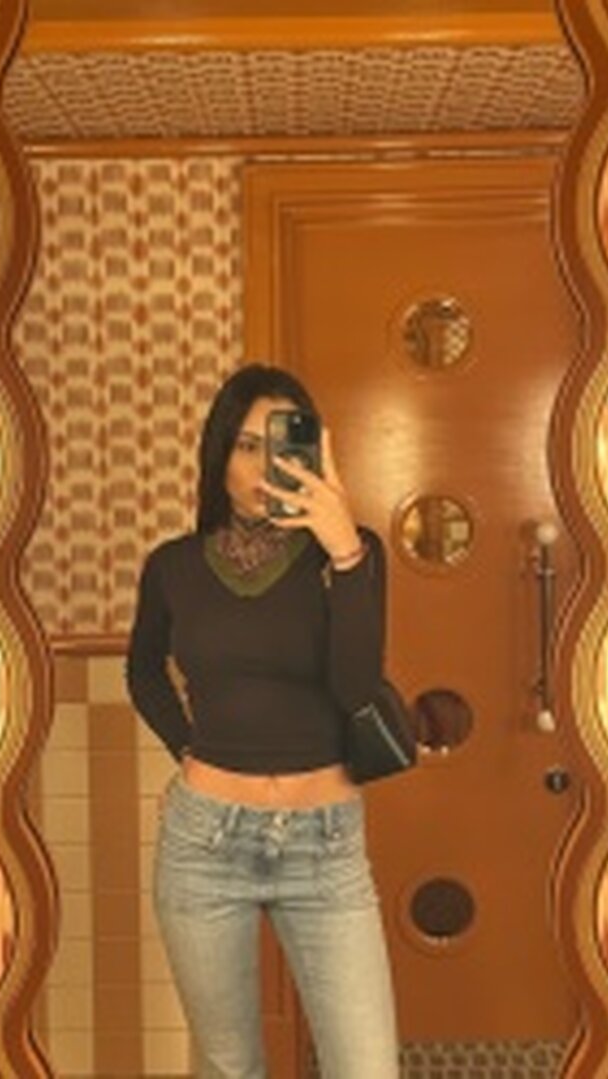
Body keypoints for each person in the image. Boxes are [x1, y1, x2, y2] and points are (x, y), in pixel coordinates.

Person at [126, 363, 400, 1079]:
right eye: (246, 446)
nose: (263, 466)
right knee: (230, 1068)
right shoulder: (173, 567)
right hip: (205, 843)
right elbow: (143, 672)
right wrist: (188, 750)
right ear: (218, 455)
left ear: (311, 454)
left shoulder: (353, 553)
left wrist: (344, 551)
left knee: (368, 1068)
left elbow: (355, 687)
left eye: (282, 446)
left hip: (326, 846)